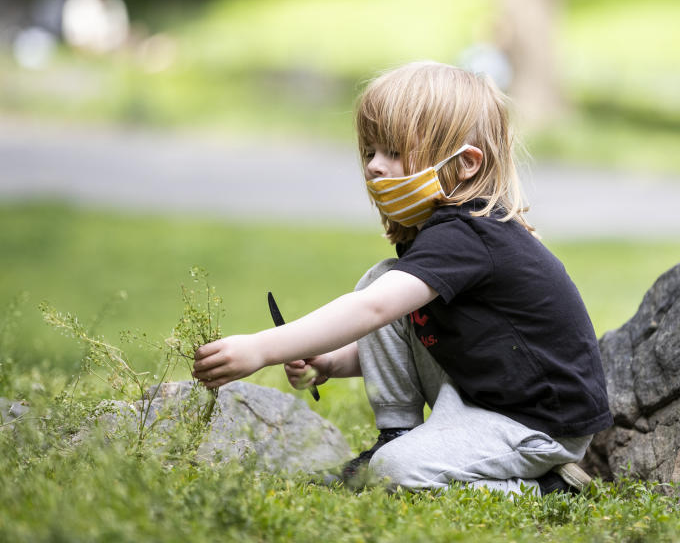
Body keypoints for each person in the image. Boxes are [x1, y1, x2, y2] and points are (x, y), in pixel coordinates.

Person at [192, 61, 613, 495]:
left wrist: (260, 348)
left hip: (537, 421)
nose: (374, 166)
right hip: (483, 395)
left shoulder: (470, 235)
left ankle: (546, 486)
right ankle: (395, 434)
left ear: (466, 163)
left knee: (394, 472)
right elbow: (410, 332)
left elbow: (372, 308)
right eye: (370, 152)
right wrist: (331, 362)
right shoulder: (443, 236)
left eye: (393, 151)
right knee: (385, 278)